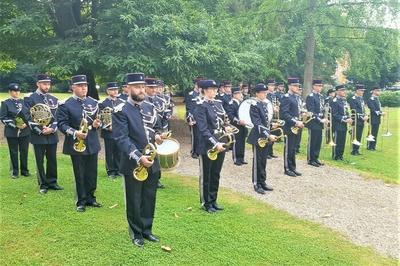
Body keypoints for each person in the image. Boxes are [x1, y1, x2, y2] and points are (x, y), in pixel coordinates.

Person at [113, 72, 164, 247]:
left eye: (142, 86)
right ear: (127, 88)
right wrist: (138, 157)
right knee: (134, 199)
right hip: (133, 162)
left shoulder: (150, 107)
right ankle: (136, 233)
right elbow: (121, 139)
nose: (141, 90)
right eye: (137, 86)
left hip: (152, 160)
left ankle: (147, 230)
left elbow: (155, 128)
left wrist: (158, 136)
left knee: (149, 197)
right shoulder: (120, 110)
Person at [57, 75, 102, 212]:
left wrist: (96, 124)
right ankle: (81, 200)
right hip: (76, 143)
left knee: (92, 172)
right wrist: (75, 133)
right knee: (80, 173)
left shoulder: (93, 102)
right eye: (81, 86)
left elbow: (97, 122)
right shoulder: (66, 104)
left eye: (86, 86)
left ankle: (91, 198)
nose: (84, 88)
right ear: (73, 87)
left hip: (92, 142)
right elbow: (61, 124)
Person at [24, 74, 62, 194]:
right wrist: (40, 130)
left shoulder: (53, 98)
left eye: (48, 84)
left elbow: (57, 116)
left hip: (51, 133)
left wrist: (52, 128)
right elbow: (27, 117)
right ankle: (43, 184)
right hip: (38, 135)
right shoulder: (30, 98)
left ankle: (52, 182)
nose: (47, 86)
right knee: (39, 160)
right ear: (38, 84)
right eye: (44, 83)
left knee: (52, 159)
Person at [194, 79, 228, 213]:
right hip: (207, 145)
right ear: (204, 91)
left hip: (221, 142)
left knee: (215, 174)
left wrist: (228, 128)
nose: (214, 91)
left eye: (215, 89)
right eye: (211, 89)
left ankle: (213, 200)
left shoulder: (218, 104)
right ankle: (206, 202)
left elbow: (224, 121)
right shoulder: (200, 105)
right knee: (206, 175)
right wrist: (215, 143)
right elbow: (203, 130)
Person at [247, 83, 277, 194]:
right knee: (257, 161)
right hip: (258, 136)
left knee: (263, 160)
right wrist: (267, 134)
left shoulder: (263, 104)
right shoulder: (254, 105)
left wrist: (271, 126)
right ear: (257, 93)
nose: (265, 94)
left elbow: (265, 121)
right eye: (263, 93)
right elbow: (257, 123)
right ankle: (256, 183)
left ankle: (263, 182)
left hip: (265, 136)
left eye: (266, 93)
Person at [0, 83, 30, 179]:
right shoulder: (5, 103)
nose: (17, 92)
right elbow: (3, 118)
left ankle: (24, 171)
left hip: (25, 131)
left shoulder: (24, 102)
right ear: (10, 92)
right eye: (14, 91)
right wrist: (15, 125)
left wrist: (27, 123)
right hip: (12, 131)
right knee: (13, 152)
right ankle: (15, 172)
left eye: (18, 91)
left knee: (24, 151)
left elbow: (29, 115)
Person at [99, 82, 125, 178]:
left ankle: (118, 169)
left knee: (119, 151)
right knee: (109, 152)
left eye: (116, 89)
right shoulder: (103, 103)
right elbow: (100, 117)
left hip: (119, 132)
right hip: (108, 132)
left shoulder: (122, 102)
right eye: (112, 89)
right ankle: (110, 171)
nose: (115, 91)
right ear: (107, 91)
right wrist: (107, 126)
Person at [145, 77, 167, 189]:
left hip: (155, 133)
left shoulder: (159, 101)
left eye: (155, 87)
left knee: (155, 157)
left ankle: (156, 179)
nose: (154, 90)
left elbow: (160, 119)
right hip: (144, 136)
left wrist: (160, 132)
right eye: (151, 87)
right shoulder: (142, 101)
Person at [280, 77, 303, 177]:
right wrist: (295, 121)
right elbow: (284, 114)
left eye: (298, 86)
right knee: (288, 148)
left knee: (293, 148)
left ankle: (293, 167)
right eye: (295, 85)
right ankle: (287, 168)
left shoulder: (296, 97)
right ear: (289, 86)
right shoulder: (286, 97)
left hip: (296, 126)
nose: (297, 87)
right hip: (289, 126)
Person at [305, 79, 327, 167]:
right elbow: (311, 111)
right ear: (313, 86)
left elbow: (322, 109)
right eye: (318, 86)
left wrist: (325, 118)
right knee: (313, 141)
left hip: (320, 122)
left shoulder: (321, 97)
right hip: (313, 122)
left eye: (321, 86)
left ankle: (316, 158)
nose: (320, 87)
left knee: (318, 141)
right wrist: (319, 119)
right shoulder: (310, 96)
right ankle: (310, 159)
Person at [226, 87, 248, 165]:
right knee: (236, 142)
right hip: (236, 126)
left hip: (243, 126)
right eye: (238, 93)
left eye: (240, 93)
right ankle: (236, 159)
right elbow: (230, 115)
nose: (240, 95)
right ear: (234, 95)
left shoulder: (241, 103)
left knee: (242, 142)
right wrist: (238, 121)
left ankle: (241, 158)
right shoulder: (231, 103)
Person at [331, 85, 352, 160]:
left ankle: (340, 155)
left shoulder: (343, 101)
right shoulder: (335, 101)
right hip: (337, 124)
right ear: (337, 92)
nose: (344, 92)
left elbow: (346, 112)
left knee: (342, 140)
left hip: (344, 124)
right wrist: (344, 119)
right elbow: (335, 114)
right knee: (337, 140)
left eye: (344, 90)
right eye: (342, 90)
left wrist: (349, 118)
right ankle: (336, 155)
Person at [185, 76, 203, 159]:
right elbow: (188, 108)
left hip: (201, 118)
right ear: (196, 85)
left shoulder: (202, 95)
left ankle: (199, 150)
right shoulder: (191, 94)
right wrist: (190, 119)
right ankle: (194, 151)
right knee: (195, 135)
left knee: (201, 135)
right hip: (193, 118)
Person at [349, 84, 368, 155]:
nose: (362, 92)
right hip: (356, 119)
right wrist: (362, 117)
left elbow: (363, 109)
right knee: (355, 134)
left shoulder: (361, 98)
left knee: (359, 134)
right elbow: (354, 110)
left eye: (363, 91)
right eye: (361, 90)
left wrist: (365, 115)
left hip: (361, 120)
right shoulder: (353, 99)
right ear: (357, 90)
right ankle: (353, 150)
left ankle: (357, 149)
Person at [367, 86, 384, 151]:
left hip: (377, 118)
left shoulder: (377, 99)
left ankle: (373, 146)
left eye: (379, 90)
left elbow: (378, 108)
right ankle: (369, 146)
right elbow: (373, 109)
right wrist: (380, 113)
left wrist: (381, 112)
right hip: (372, 118)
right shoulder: (371, 99)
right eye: (378, 90)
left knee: (375, 133)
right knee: (371, 132)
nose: (379, 92)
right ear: (374, 91)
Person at [266, 79, 278, 159]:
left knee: (273, 133)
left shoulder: (273, 95)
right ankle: (266, 152)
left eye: (273, 85)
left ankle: (270, 152)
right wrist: (272, 108)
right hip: (268, 116)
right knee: (268, 134)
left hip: (274, 116)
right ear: (268, 86)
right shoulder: (266, 94)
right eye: (271, 85)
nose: (273, 87)